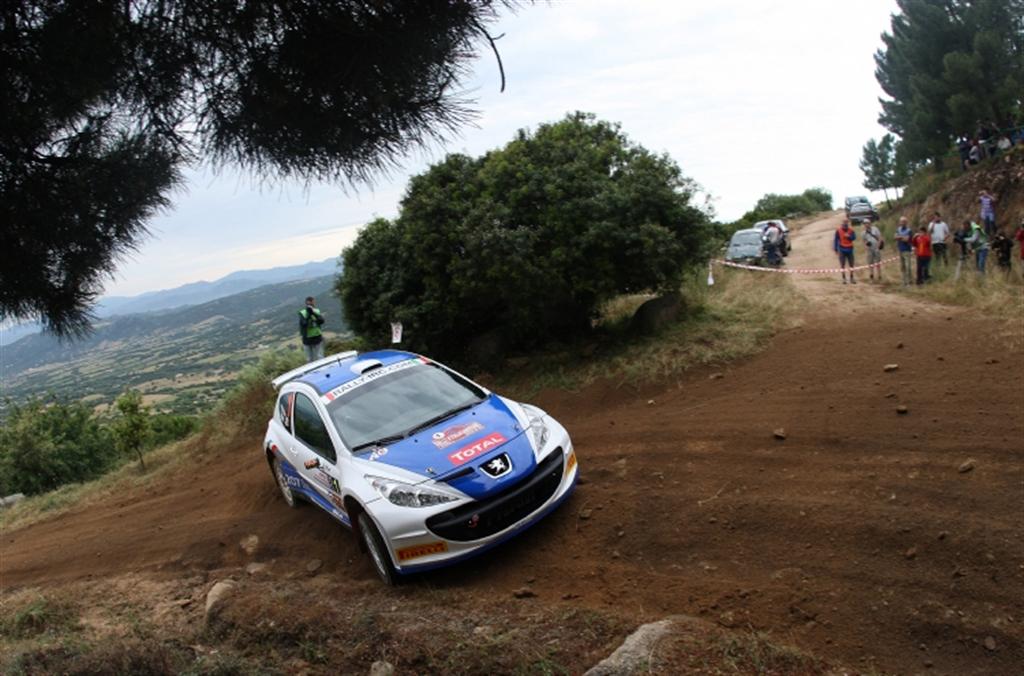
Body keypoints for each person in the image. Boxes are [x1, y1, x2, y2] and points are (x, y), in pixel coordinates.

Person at [298, 296, 326, 362]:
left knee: (319, 357)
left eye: (311, 302)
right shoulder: (303, 313)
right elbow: (304, 324)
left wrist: (313, 313)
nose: (311, 304)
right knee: (310, 359)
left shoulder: (316, 311)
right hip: (307, 339)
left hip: (317, 337)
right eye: (310, 303)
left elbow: (321, 321)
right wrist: (308, 315)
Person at [834, 218, 857, 284]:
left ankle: (852, 278)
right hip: (842, 249)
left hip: (850, 249)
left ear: (848, 223)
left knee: (851, 264)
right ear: (842, 223)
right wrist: (835, 248)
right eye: (844, 222)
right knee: (842, 264)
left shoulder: (851, 230)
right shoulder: (838, 231)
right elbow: (836, 240)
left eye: (846, 222)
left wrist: (849, 236)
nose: (845, 223)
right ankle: (844, 278)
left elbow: (854, 238)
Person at [895, 216, 914, 287]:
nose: (902, 223)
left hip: (907, 250)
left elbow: (907, 239)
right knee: (902, 267)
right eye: (901, 221)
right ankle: (904, 282)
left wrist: (899, 237)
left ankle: (909, 282)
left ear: (906, 222)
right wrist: (902, 237)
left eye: (903, 222)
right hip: (900, 249)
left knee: (908, 266)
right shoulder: (898, 229)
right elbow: (895, 237)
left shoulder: (909, 230)